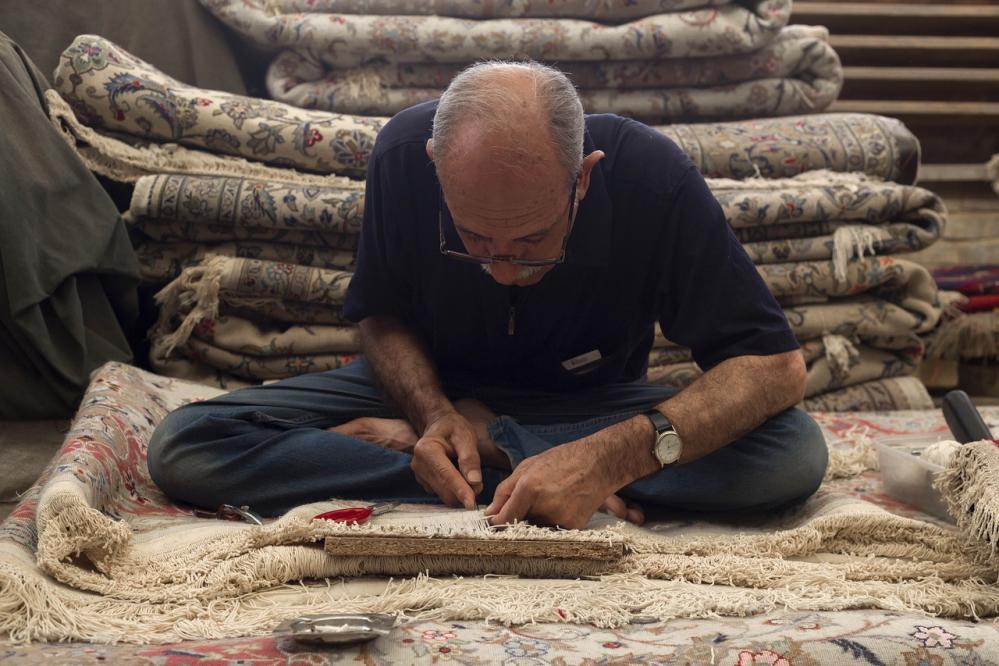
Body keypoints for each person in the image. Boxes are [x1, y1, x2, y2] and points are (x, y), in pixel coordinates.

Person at [147, 61, 827, 529]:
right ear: (435, 168)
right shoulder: (401, 155)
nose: (502, 271)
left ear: (582, 180)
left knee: (791, 453)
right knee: (189, 443)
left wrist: (604, 457)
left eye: (532, 243)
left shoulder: (652, 180)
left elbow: (771, 366)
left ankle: (488, 460)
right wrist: (434, 414)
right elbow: (380, 315)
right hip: (431, 394)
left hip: (584, 409)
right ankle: (473, 458)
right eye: (473, 241)